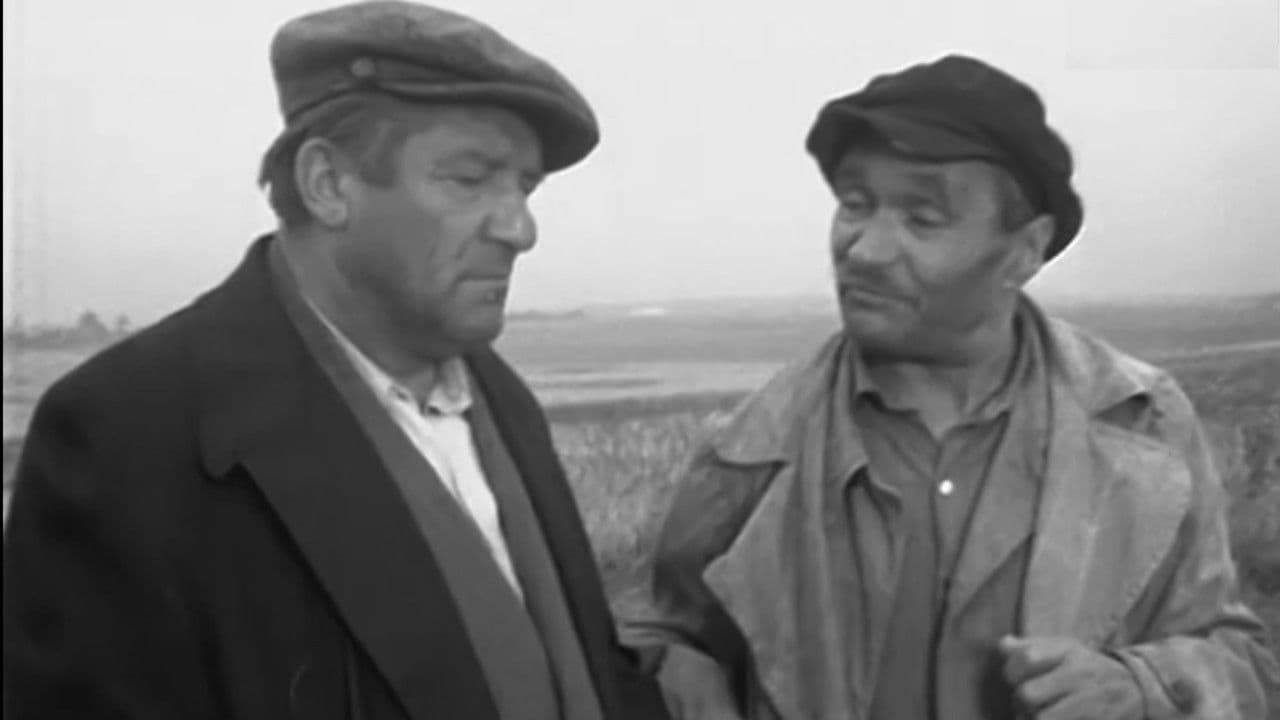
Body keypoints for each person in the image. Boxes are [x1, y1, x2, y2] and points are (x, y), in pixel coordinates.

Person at [2, 2, 671, 719]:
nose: (520, 228)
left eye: (525, 188)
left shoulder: (503, 401)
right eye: (470, 180)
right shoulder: (128, 438)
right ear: (328, 184)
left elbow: (586, 665)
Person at [632, 55, 1279, 719]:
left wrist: (1139, 689)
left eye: (922, 217)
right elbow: (666, 636)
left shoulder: (1142, 424)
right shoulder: (751, 449)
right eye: (855, 204)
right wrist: (678, 672)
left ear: (1025, 251)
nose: (865, 249)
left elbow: (1245, 664)